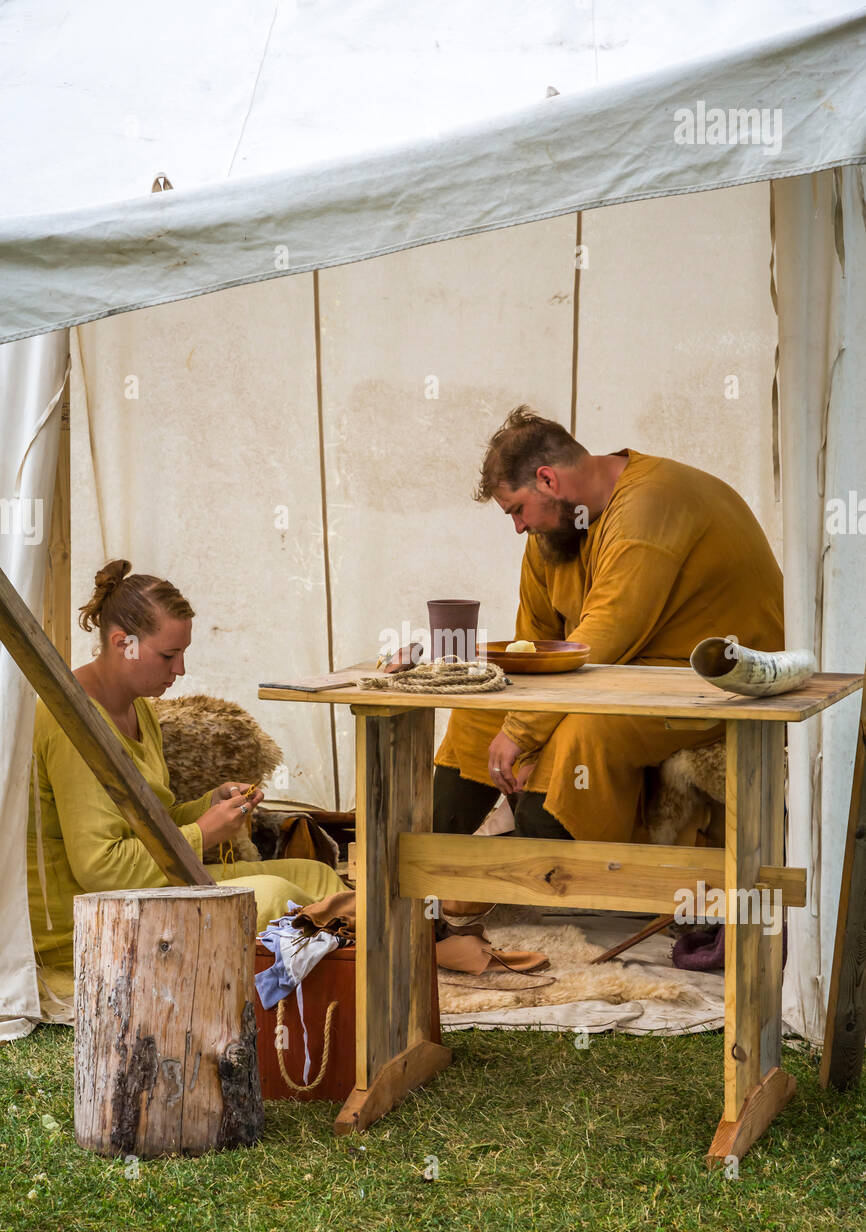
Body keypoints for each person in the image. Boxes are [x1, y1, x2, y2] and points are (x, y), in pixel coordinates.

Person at [433, 405, 784, 843]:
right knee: (476, 717)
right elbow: (534, 644)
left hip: (713, 682)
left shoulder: (651, 502)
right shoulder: (554, 533)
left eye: (517, 510)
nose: (519, 527)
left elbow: (602, 638)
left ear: (548, 479)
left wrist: (522, 730)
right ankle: (429, 875)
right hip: (619, 673)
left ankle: (549, 878)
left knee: (579, 735)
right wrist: (509, 709)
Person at [27, 559, 346, 1023]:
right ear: (124, 644)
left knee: (315, 877)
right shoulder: (72, 721)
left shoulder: (140, 710)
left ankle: (356, 974)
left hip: (138, 891)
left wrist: (208, 806)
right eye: (168, 655)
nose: (180, 669)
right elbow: (100, 869)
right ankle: (329, 985)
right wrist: (204, 832)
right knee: (277, 895)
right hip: (83, 925)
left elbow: (153, 817)